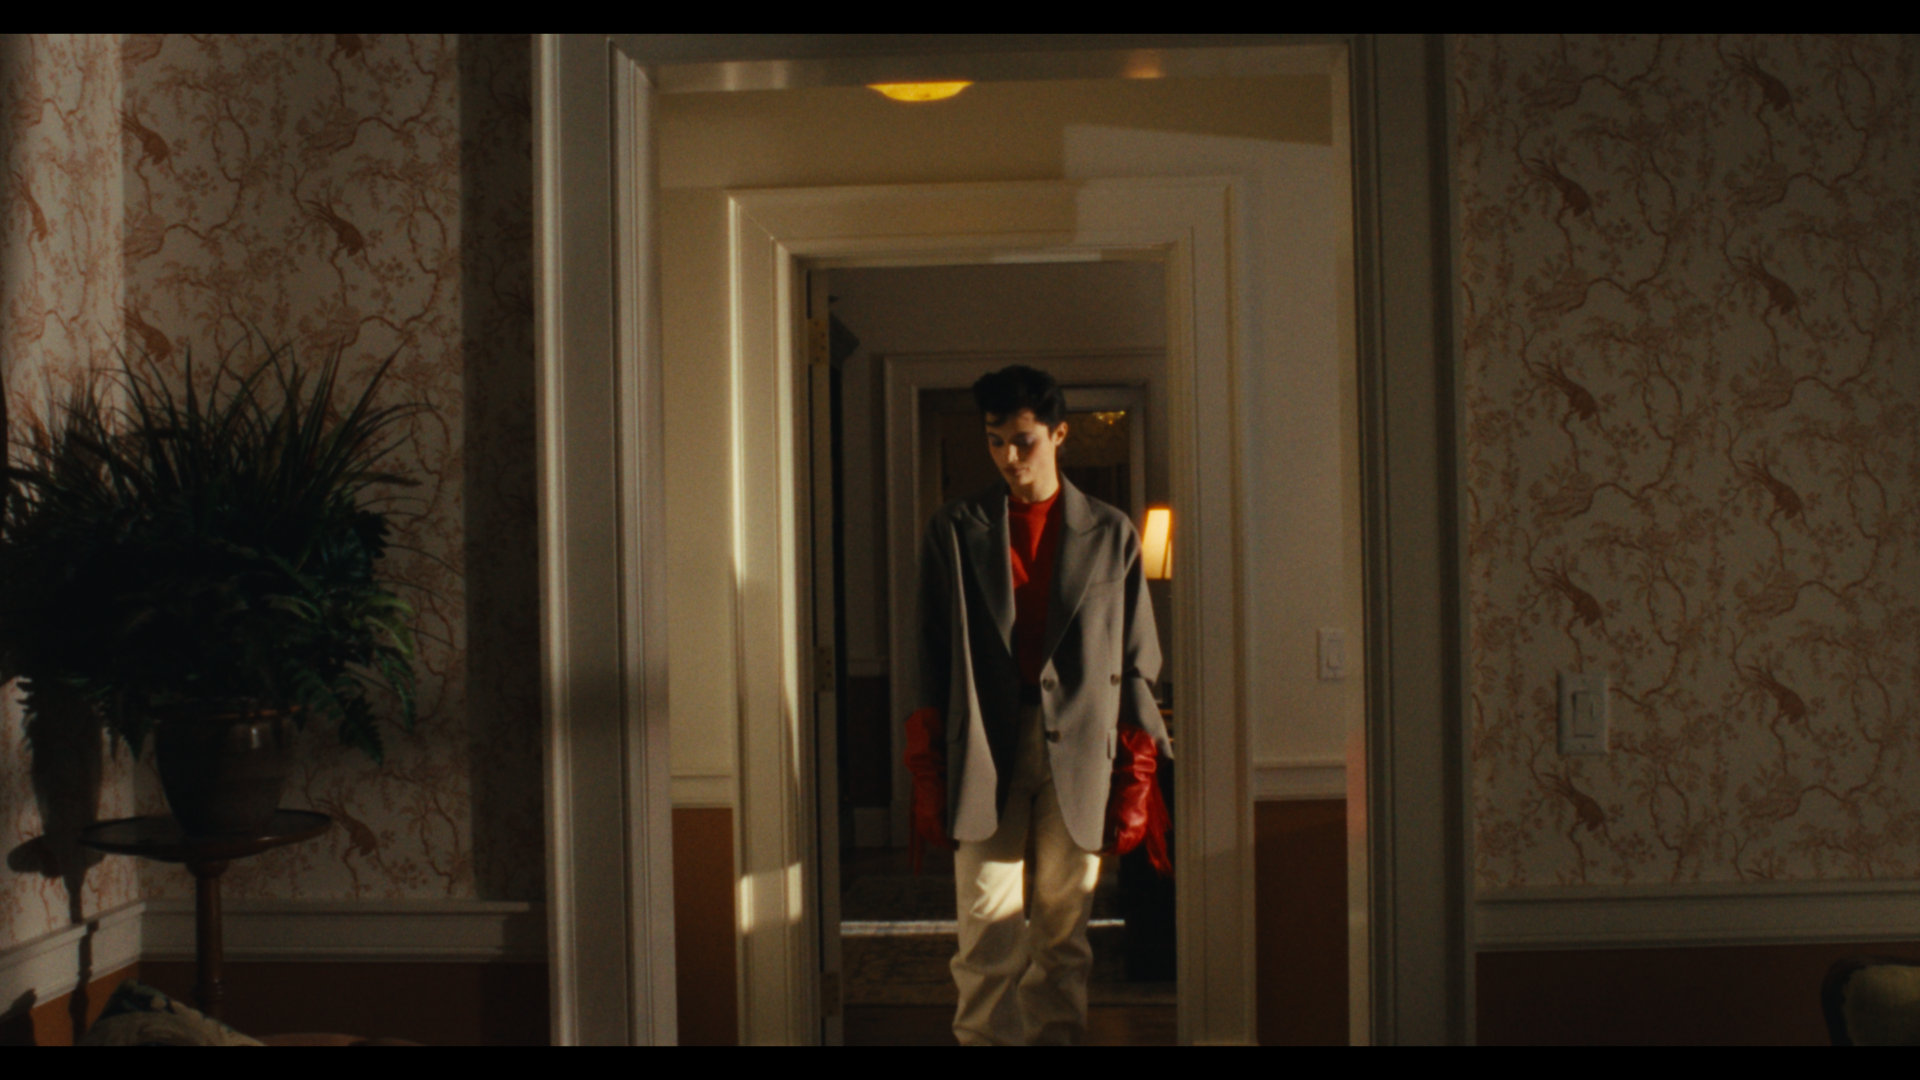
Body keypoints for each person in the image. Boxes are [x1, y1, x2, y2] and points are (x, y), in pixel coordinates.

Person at [905, 364, 1171, 1046]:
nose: (1009, 457)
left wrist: (1136, 777)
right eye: (995, 441)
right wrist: (927, 768)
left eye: (1023, 440)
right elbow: (929, 656)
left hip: (1081, 749)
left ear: (1059, 434)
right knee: (984, 932)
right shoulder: (954, 530)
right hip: (984, 749)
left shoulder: (1111, 534)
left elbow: (1138, 660)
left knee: (1062, 934)